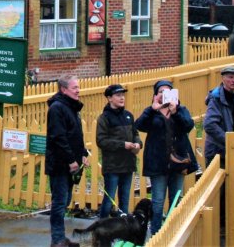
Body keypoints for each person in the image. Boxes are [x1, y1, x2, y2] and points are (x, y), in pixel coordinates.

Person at [135, 79, 196, 235]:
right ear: (156, 94)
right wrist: (152, 109)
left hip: (177, 161)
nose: (164, 94)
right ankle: (156, 233)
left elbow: (188, 125)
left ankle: (174, 232)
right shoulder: (152, 112)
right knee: (158, 201)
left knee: (176, 199)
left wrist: (175, 112)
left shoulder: (181, 110)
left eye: (167, 91)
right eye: (161, 91)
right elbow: (139, 125)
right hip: (158, 163)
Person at [46, 75, 89, 247]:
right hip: (59, 164)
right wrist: (71, 160)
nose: (78, 90)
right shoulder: (57, 108)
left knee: (66, 199)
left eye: (78, 87)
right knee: (60, 202)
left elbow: (75, 135)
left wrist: (83, 153)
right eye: (74, 88)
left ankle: (60, 238)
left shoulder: (71, 108)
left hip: (70, 163)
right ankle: (57, 240)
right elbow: (58, 137)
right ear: (64, 90)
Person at [95, 84, 141, 219]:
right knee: (108, 200)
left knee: (124, 200)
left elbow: (135, 133)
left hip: (128, 164)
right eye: (118, 95)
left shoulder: (128, 116)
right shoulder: (104, 118)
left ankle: (123, 229)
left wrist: (138, 143)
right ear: (109, 98)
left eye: (123, 95)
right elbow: (101, 141)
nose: (122, 98)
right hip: (112, 166)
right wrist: (123, 145)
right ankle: (101, 227)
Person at [203, 65, 234, 169]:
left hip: (233, 149)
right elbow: (209, 124)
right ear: (223, 78)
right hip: (218, 152)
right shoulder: (216, 98)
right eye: (230, 77)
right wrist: (228, 139)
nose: (233, 81)